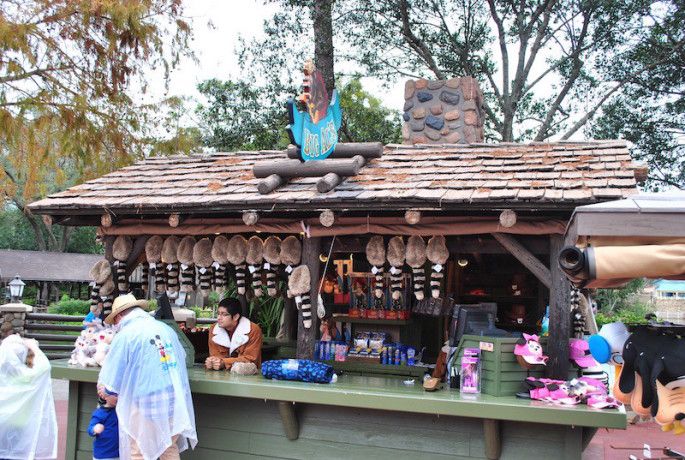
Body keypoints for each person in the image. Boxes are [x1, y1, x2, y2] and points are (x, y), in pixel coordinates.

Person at [97, 293, 197, 460]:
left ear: (121, 315)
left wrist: (106, 390)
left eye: (115, 320)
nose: (115, 325)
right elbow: (183, 357)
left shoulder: (127, 334)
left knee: (138, 450)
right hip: (175, 400)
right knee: (169, 448)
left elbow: (111, 378)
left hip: (144, 401)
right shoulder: (166, 329)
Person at [0, 334, 58, 460]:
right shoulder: (26, 376)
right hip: (19, 425)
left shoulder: (6, 373)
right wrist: (33, 347)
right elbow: (44, 367)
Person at [205, 298, 263, 371]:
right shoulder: (213, 329)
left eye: (224, 314)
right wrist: (212, 362)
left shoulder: (253, 330)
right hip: (221, 374)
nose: (219, 318)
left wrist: (224, 362)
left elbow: (251, 359)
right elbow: (215, 355)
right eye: (218, 314)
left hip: (247, 376)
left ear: (236, 317)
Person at [88, 394, 119, 460]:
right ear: (105, 396)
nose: (118, 397)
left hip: (118, 453)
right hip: (103, 454)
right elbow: (90, 429)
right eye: (115, 395)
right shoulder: (100, 413)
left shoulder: (119, 411)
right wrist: (94, 428)